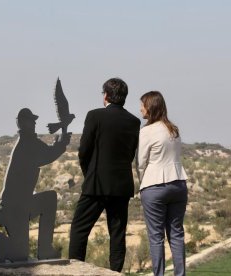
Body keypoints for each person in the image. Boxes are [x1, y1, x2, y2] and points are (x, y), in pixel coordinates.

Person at [69, 78, 140, 272]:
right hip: (121, 185)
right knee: (117, 234)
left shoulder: (95, 116)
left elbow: (84, 151)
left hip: (96, 184)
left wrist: (89, 173)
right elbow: (130, 153)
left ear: (106, 95)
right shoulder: (134, 122)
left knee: (79, 230)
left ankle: (76, 271)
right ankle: (115, 272)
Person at [0, 108, 71, 262]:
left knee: (49, 199)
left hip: (20, 204)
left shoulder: (27, 141)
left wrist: (59, 144)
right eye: (31, 120)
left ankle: (45, 249)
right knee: (20, 255)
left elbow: (46, 152)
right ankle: (3, 243)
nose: (34, 123)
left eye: (34, 120)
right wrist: (61, 145)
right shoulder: (27, 142)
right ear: (22, 123)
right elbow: (47, 155)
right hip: (16, 206)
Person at [136, 91, 188, 276]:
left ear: (150, 107)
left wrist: (142, 182)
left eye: (143, 104)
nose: (140, 108)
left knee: (156, 237)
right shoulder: (173, 129)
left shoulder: (147, 131)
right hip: (179, 183)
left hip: (154, 185)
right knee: (176, 233)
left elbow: (141, 162)